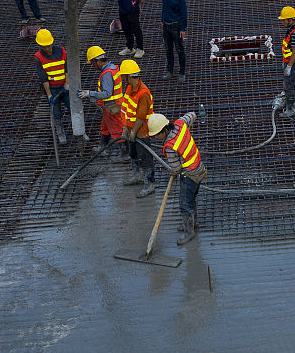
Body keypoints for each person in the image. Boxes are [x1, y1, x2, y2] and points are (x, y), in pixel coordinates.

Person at [147, 110, 206, 244]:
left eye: (156, 135)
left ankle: (189, 232)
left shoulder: (170, 146)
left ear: (164, 130)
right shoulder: (180, 123)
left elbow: (177, 168)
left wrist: (174, 172)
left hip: (189, 174)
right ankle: (192, 223)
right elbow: (192, 114)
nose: (156, 137)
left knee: (184, 204)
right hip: (199, 167)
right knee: (192, 198)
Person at [80, 46, 128, 163]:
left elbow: (107, 93)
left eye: (93, 63)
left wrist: (90, 93)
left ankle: (124, 154)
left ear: (97, 61)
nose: (93, 66)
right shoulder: (113, 67)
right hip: (113, 105)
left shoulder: (106, 74)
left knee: (116, 130)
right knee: (105, 127)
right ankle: (102, 148)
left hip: (112, 107)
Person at [119, 59, 158, 197]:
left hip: (141, 132)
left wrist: (134, 131)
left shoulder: (143, 93)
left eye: (124, 76)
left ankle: (150, 184)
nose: (124, 79)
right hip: (131, 130)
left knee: (145, 157)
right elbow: (125, 109)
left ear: (129, 76)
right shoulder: (130, 89)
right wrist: (125, 128)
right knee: (133, 154)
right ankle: (138, 176)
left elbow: (141, 117)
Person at [33, 29, 70, 144]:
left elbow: (66, 69)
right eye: (45, 47)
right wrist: (49, 95)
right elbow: (43, 79)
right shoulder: (38, 58)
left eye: (49, 46)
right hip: (53, 89)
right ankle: (60, 132)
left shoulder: (61, 51)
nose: (48, 49)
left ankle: (80, 131)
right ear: (40, 45)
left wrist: (67, 84)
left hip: (65, 86)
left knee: (73, 107)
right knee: (56, 112)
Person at [158, 0, 187, 82]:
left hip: (176, 26)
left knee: (179, 50)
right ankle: (170, 71)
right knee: (168, 49)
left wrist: (183, 29)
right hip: (166, 26)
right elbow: (164, 8)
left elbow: (184, 14)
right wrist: (162, 20)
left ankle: (182, 72)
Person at [278, 6, 295, 118]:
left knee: (289, 86)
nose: (282, 22)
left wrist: (289, 66)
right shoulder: (294, 29)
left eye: (284, 20)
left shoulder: (294, 34)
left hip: (293, 63)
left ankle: (290, 109)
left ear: (290, 20)